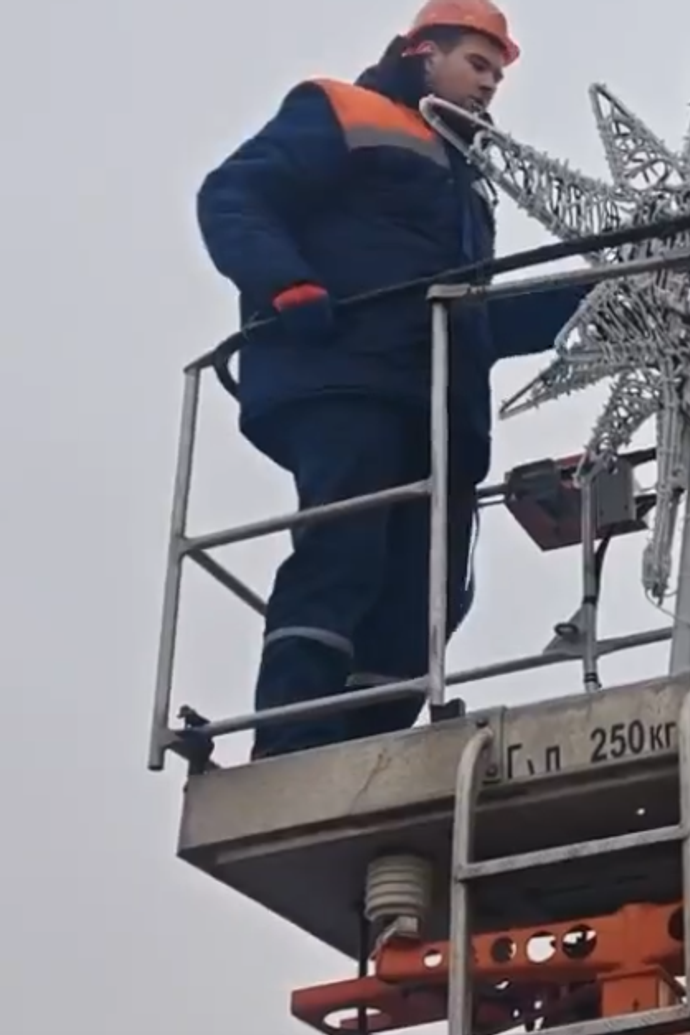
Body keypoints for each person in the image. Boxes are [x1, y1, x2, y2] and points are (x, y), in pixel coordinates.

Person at [195, 0, 588, 761]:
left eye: (498, 75)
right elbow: (234, 195)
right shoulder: (343, 110)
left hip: (438, 403)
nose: (489, 84)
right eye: (477, 63)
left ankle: (371, 750)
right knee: (343, 551)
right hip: (348, 377)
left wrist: (591, 297)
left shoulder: (466, 181)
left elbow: (469, 314)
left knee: (426, 591)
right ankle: (294, 742)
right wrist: (286, 283)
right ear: (422, 53)